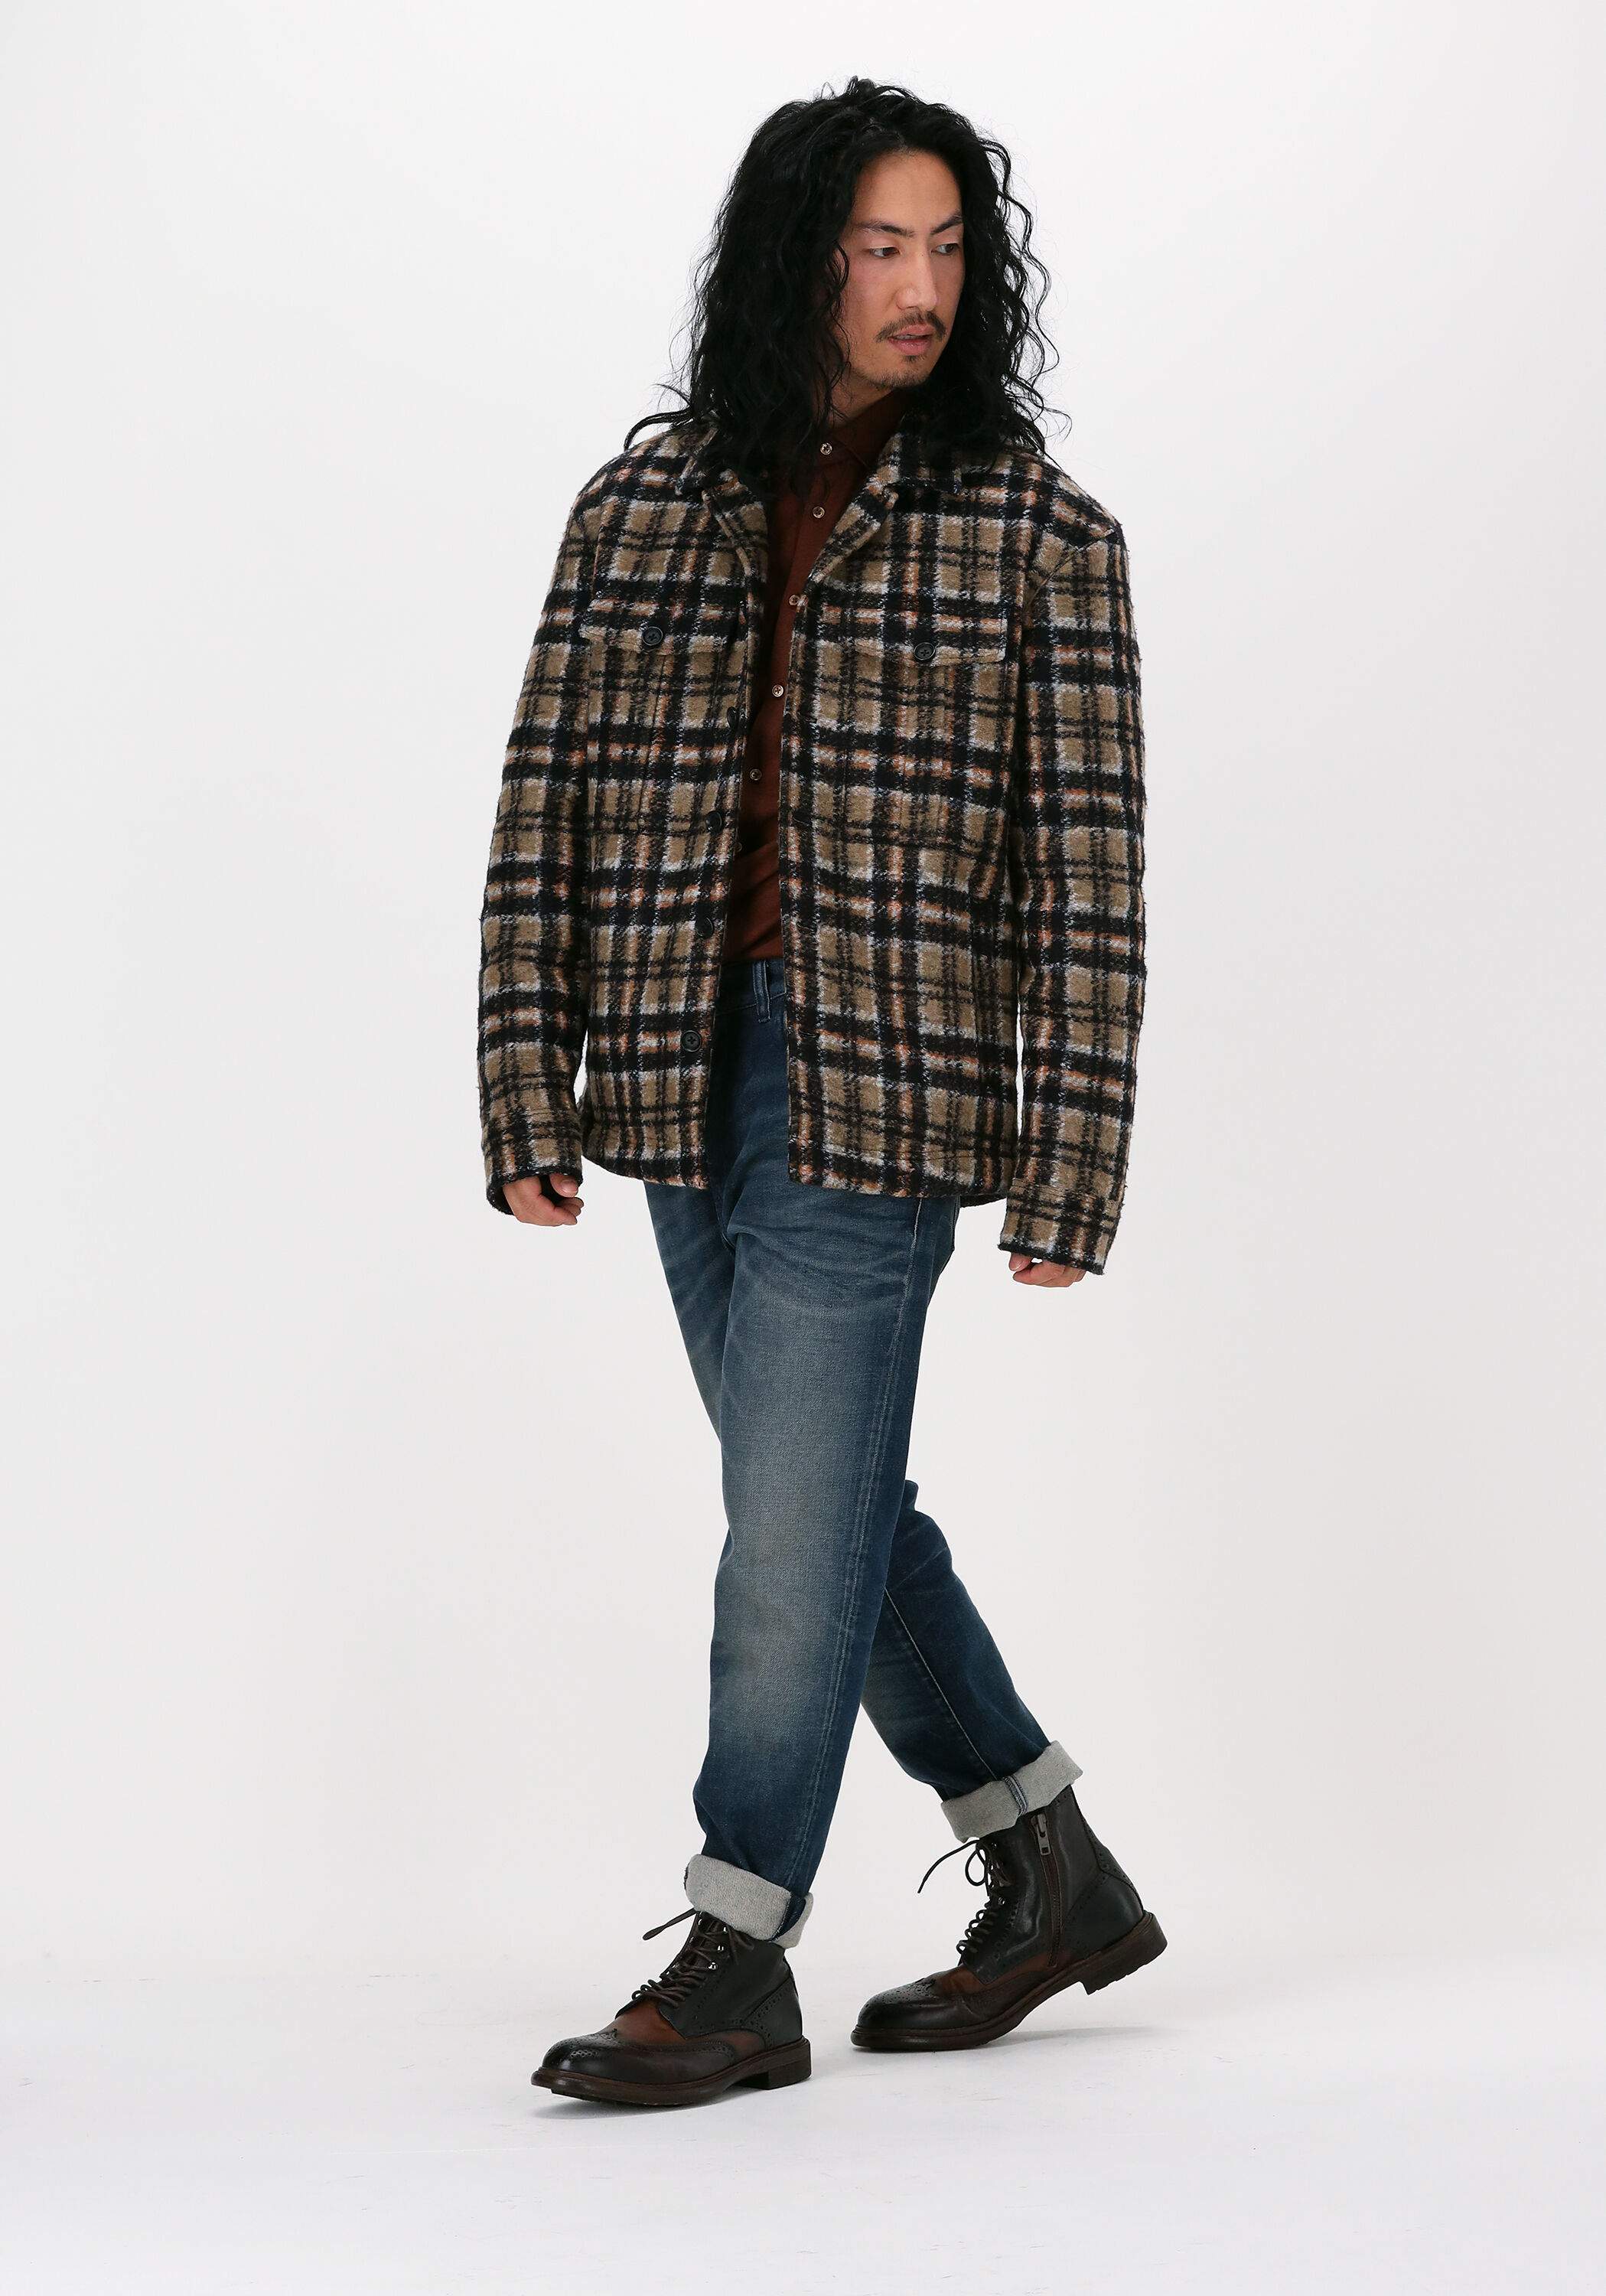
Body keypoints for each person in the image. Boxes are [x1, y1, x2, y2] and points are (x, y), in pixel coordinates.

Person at [477, 77, 1160, 2108]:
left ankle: (737, 1951)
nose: (918, 287)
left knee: (786, 1536)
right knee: (832, 1507)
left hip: (884, 1084)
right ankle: (1047, 1863)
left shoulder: (1040, 536)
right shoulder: (639, 513)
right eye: (878, 246)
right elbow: (542, 810)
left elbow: (1090, 879)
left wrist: (1070, 1171)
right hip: (674, 1072)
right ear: (798, 260)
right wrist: (525, 1085)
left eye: (947, 248)